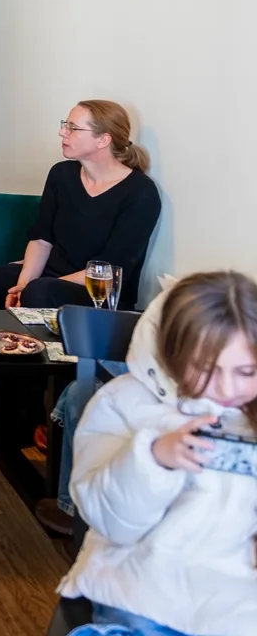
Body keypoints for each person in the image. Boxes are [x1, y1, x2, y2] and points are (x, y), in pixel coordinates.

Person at [0, 100, 161, 454]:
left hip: (98, 293)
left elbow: (110, 267)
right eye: (66, 124)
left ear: (104, 139)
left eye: (73, 127)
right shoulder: (62, 174)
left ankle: (24, 417)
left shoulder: (140, 193)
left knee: (41, 293)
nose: (63, 132)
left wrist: (33, 287)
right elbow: (41, 237)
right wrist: (24, 281)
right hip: (45, 278)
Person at [57, 271, 257, 636]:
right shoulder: (123, 403)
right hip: (144, 589)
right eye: (208, 370)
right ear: (172, 354)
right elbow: (109, 520)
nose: (229, 388)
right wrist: (154, 458)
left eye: (247, 371)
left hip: (236, 602)